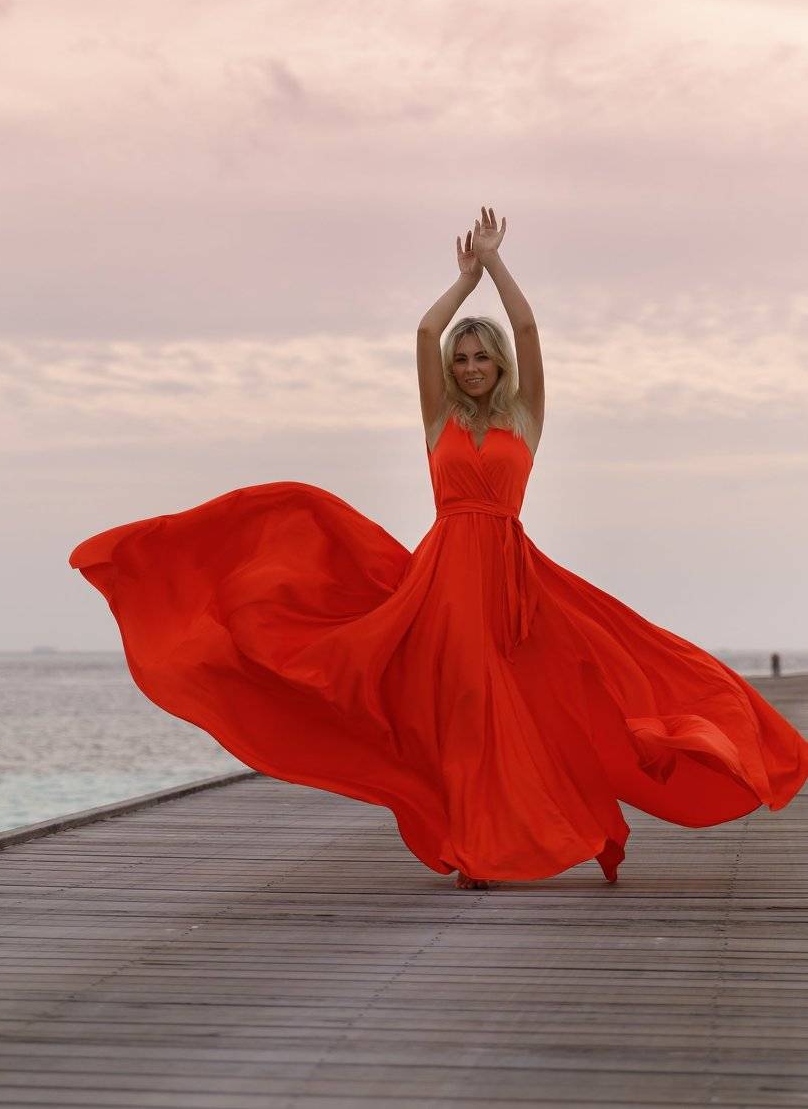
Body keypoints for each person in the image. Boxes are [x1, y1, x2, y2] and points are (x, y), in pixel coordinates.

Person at [69, 206, 808, 888]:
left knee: (574, 686)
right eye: (463, 360)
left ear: (498, 368)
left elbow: (528, 332)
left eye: (480, 358)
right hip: (447, 578)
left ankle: (530, 830)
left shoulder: (525, 417)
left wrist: (497, 267)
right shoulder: (438, 423)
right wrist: (462, 282)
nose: (471, 366)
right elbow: (424, 335)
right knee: (463, 711)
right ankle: (476, 846)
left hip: (513, 579)